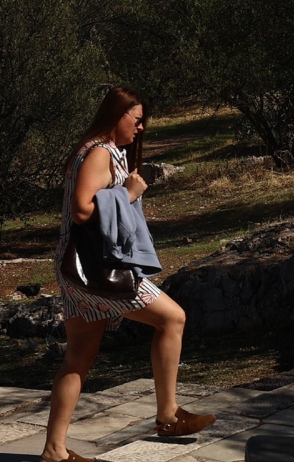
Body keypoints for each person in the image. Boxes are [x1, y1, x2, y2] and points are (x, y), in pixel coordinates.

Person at [39, 88, 214, 462]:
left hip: (79, 268)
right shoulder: (99, 152)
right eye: (135, 119)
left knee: (79, 356)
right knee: (172, 318)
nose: (141, 126)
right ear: (115, 116)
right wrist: (129, 194)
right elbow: (82, 210)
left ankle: (54, 451)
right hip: (97, 270)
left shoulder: (104, 151)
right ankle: (167, 416)